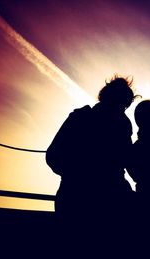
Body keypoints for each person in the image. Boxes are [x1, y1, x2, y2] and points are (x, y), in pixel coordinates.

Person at [46, 75, 136, 236]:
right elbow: (53, 156)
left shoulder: (81, 117)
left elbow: (53, 156)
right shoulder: (84, 118)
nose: (122, 111)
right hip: (90, 199)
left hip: (76, 199)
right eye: (122, 106)